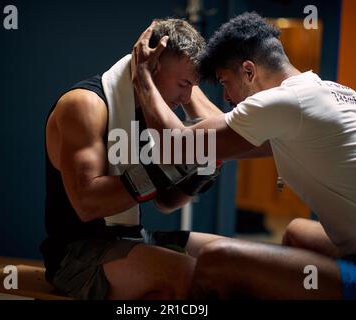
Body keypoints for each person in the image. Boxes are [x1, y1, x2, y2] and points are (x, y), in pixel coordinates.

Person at [131, 12, 356, 299]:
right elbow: (223, 139)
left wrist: (143, 76)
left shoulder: (284, 102)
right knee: (297, 232)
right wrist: (186, 86)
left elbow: (176, 146)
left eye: (225, 82)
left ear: (249, 72)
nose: (226, 97)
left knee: (217, 259)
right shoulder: (327, 92)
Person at [40, 18, 225, 300]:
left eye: (194, 86)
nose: (187, 96)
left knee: (232, 261)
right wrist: (173, 165)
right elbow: (88, 204)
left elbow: (166, 201)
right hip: (77, 255)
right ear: (152, 65)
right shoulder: (85, 105)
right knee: (191, 277)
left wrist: (198, 170)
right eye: (184, 84)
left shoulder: (149, 110)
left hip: (132, 237)